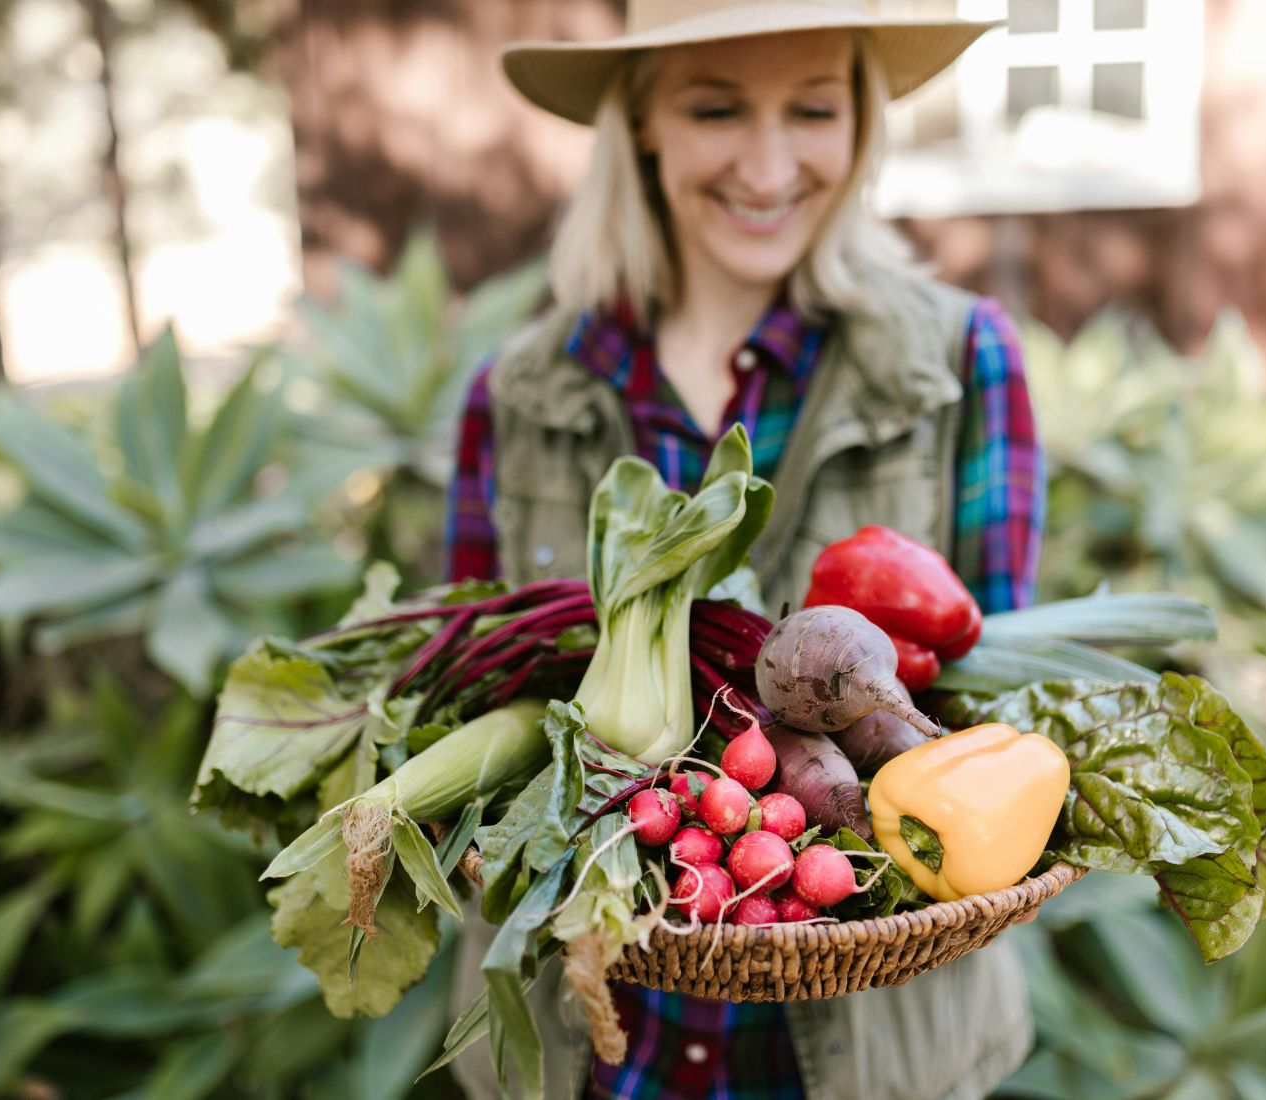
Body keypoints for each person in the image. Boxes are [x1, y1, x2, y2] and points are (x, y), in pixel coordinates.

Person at [443, 3, 1046, 1098]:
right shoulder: (517, 393)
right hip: (593, 1042)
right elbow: (467, 689)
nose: (768, 166)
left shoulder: (962, 362)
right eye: (715, 107)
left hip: (875, 1049)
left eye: (812, 108)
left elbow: (990, 716)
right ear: (641, 127)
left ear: (859, 124)